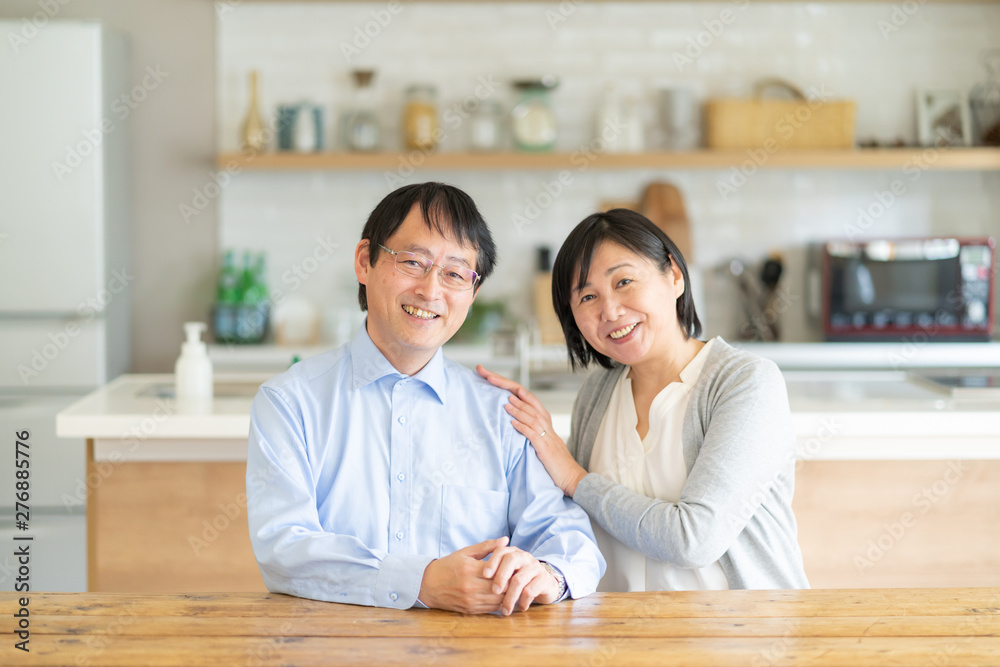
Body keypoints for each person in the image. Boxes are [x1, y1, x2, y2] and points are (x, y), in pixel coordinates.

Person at [246, 182, 605, 615]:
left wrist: (547, 573)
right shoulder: (290, 403)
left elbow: (571, 544)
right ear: (365, 261)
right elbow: (283, 549)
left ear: (473, 292)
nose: (431, 290)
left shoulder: (501, 412)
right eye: (413, 262)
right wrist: (421, 582)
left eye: (455, 274)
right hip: (336, 644)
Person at [478, 208, 808, 591]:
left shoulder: (745, 382)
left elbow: (694, 540)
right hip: (622, 627)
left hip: (744, 626)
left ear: (675, 276)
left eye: (624, 281)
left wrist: (575, 479)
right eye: (588, 296)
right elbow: (574, 523)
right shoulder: (596, 393)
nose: (610, 311)